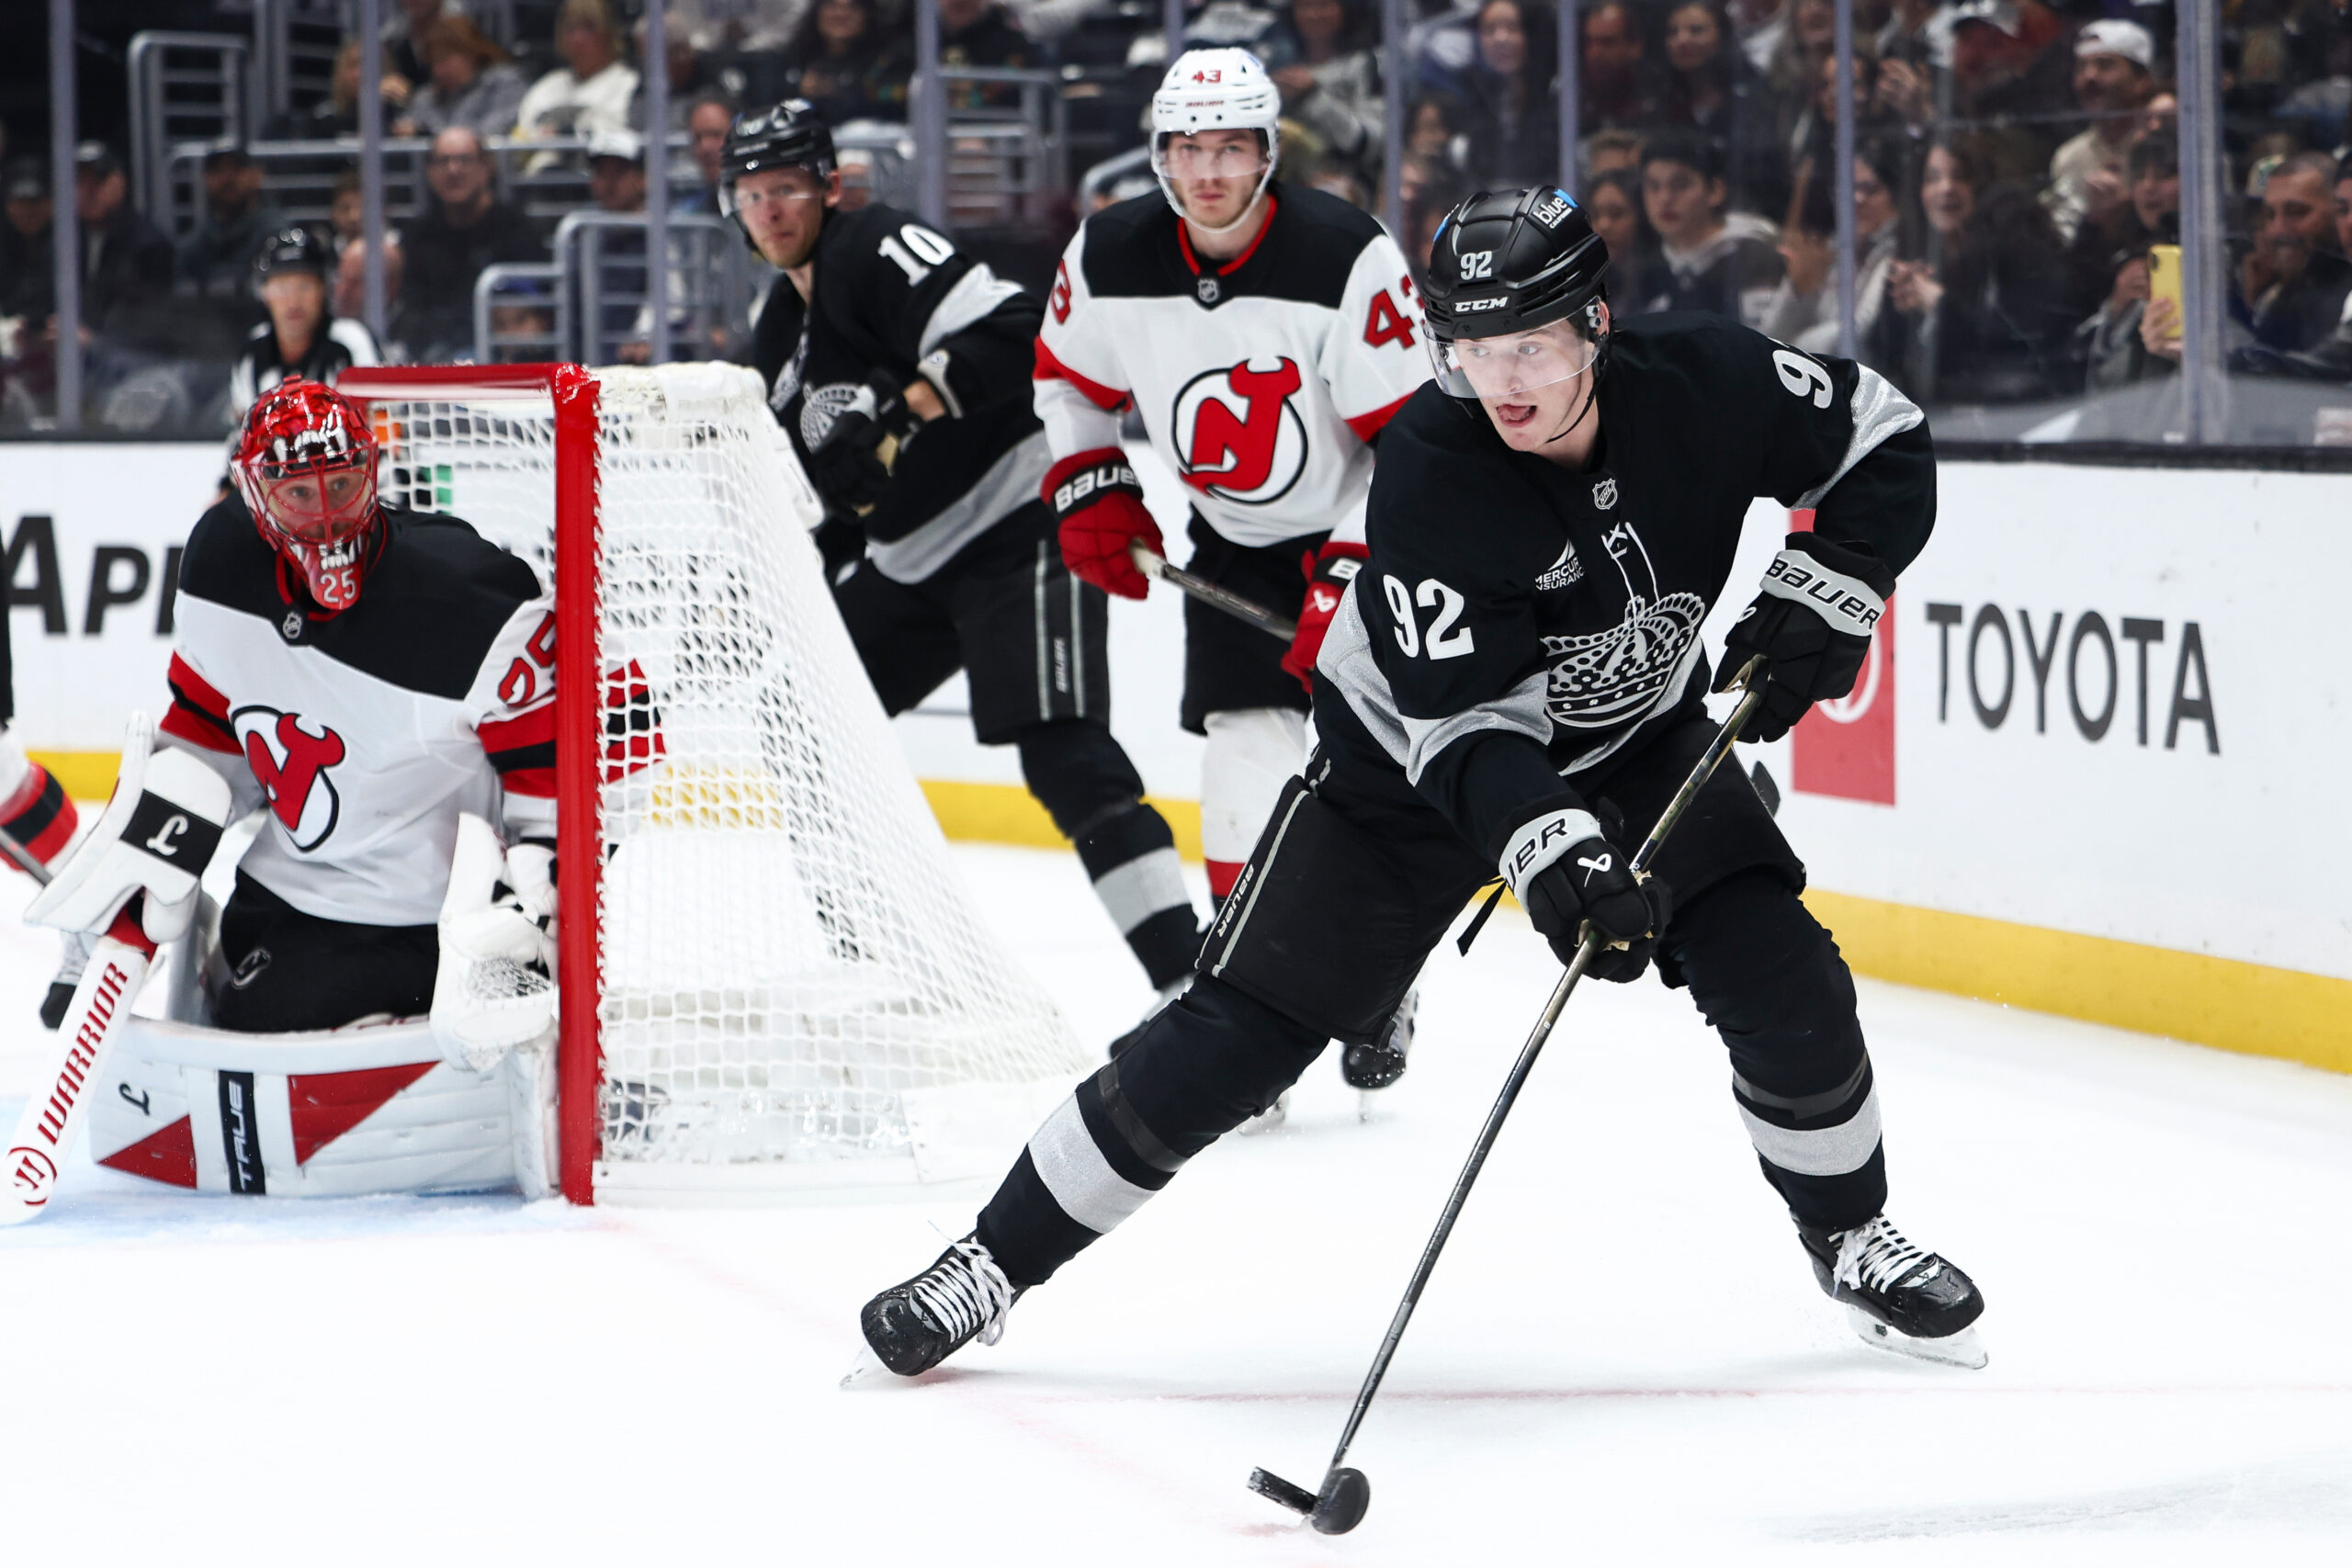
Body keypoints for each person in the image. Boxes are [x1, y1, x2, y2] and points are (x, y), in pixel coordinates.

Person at [854, 185, 1985, 1382]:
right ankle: (988, 1260)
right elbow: (1467, 731)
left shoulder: (1710, 381)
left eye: (1530, 346)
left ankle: (1851, 1236)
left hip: (1638, 739)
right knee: (1235, 1037)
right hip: (1401, 772)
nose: (1503, 382)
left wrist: (1833, 586)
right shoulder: (1436, 469)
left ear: (1596, 324)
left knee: (1783, 968)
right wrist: (1559, 860)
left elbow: (1880, 432)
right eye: (1470, 350)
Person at [723, 100, 1204, 1002]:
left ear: (829, 187)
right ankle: (868, 962)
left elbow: (1020, 328)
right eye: (751, 194)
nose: (771, 209)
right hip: (910, 562)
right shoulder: (777, 335)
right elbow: (841, 496)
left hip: (1017, 519)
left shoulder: (876, 247)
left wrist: (904, 406)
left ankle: (1191, 991)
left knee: (1064, 754)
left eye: (786, 187)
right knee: (801, 727)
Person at [1032, 48, 1430, 1088]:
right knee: (1243, 768)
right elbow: (1068, 381)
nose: (1208, 171)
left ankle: (1381, 981)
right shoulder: (1109, 251)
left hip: (1374, 537)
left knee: (1368, 776)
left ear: (1267, 154)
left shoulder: (1345, 253)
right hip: (1235, 545)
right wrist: (1092, 480)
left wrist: (1353, 567)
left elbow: (1416, 443)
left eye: (1231, 148)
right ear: (1159, 155)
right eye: (1187, 148)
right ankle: (1244, 1011)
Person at [155, 378, 565, 1035]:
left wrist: (540, 887)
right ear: (254, 495)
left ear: (372, 473)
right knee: (238, 1003)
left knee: (262, 1019)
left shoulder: (466, 597)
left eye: (341, 485)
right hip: (281, 896)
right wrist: (150, 851)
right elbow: (207, 728)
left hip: (427, 923)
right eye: (298, 493)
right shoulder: (221, 564)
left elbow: (593, 737)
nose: (326, 518)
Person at [1878, 139, 2073, 403]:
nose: (1947, 188)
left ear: (1980, 185)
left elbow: (2014, 338)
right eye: (1932, 179)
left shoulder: (2015, 240)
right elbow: (1884, 354)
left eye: (1959, 176)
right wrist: (1898, 308)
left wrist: (1939, 303)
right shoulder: (1916, 251)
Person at [396, 127, 547, 361]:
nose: (453, 170)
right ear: (429, 172)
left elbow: (537, 315)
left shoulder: (517, 232)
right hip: (434, 358)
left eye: (464, 160)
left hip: (500, 361)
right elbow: (411, 311)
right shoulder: (418, 236)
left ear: (486, 168)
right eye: (443, 161)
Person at [1627, 130, 1784, 328]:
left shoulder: (1754, 258)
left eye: (1680, 185)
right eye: (1654, 187)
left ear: (1716, 190)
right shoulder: (1648, 268)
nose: (1664, 198)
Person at [1762, 141, 1903, 358]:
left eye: (1871, 190)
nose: (1858, 199)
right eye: (1849, 189)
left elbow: (1858, 332)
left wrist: (1795, 353)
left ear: (1895, 197)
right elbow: (1770, 335)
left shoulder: (1899, 251)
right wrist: (1796, 289)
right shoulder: (1832, 249)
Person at [228, 229, 380, 422]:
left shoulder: (351, 343)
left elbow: (380, 422)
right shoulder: (252, 353)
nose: (293, 301)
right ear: (264, 292)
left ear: (323, 289)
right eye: (282, 288)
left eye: (304, 287)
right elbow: (244, 427)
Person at [2042, 19, 2161, 245]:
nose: (2090, 77)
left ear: (2141, 79)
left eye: (2105, 65)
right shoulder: (2069, 158)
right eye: (2081, 67)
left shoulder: (2170, 147)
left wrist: (2128, 210)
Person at [1267, 0, 1384, 188]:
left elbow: (1370, 141)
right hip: (1281, 175)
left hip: (1345, 180)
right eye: (1305, 6)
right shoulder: (1274, 61)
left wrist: (1312, 96)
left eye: (1323, 5)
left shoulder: (1365, 64)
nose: (1314, 14)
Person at [175, 145, 289, 328]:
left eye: (237, 170)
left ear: (256, 176)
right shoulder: (203, 234)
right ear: (205, 179)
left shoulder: (275, 231)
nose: (227, 179)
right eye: (217, 171)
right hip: (206, 330)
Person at [1458, 0, 1561, 190]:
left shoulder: (1558, 96)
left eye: (1512, 28)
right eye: (1490, 29)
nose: (1501, 38)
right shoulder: (1463, 94)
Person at [515, 0, 642, 141]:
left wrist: (564, 133)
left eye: (589, 28)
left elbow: (621, 138)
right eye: (570, 28)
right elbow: (521, 136)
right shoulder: (547, 85)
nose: (578, 39)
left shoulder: (629, 84)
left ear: (610, 34)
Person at [395, 14, 530, 139]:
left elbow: (502, 126)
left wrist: (435, 135)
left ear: (470, 53)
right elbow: (408, 125)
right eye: (433, 61)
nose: (438, 69)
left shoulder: (503, 83)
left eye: (444, 59)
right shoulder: (426, 97)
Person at [781, 0, 912, 124]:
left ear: (866, 13)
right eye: (832, 5)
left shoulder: (887, 60)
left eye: (852, 7)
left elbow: (893, 103)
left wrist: (839, 91)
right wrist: (800, 92)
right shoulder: (793, 59)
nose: (841, 14)